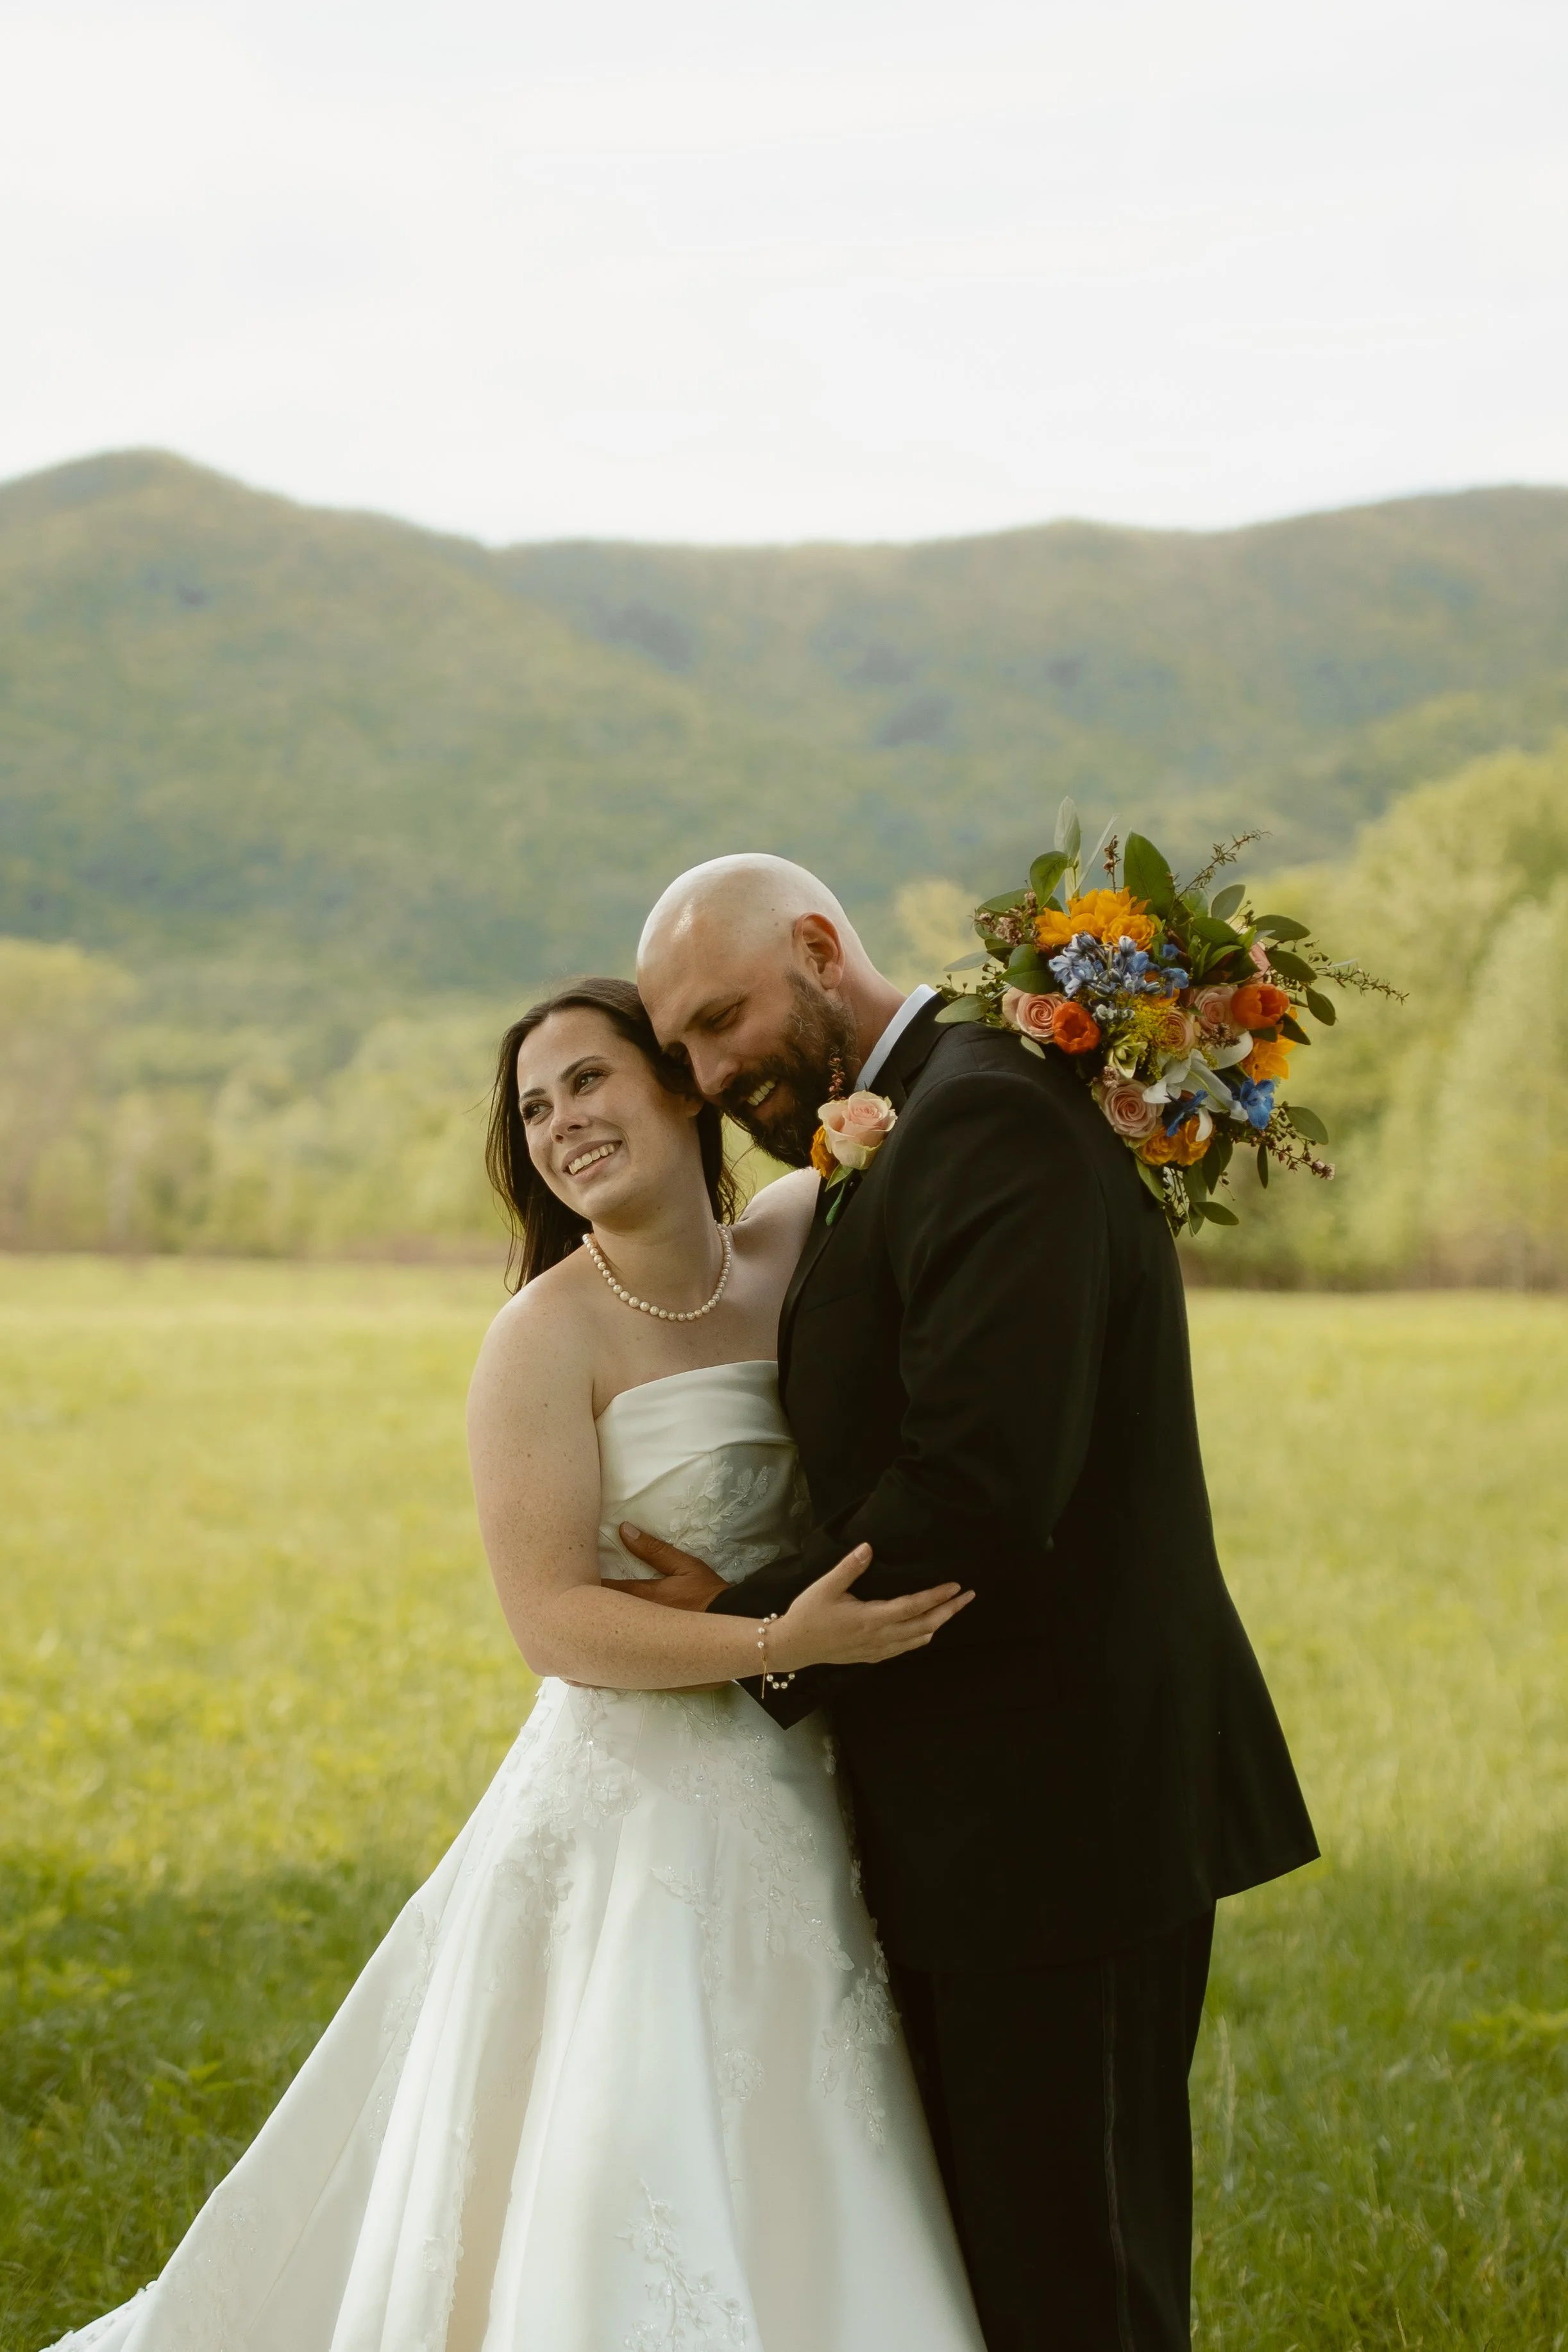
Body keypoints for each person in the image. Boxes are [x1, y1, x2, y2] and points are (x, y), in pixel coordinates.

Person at [44, 977, 984, 2352]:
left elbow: (948, 1111)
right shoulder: (543, 1337)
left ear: (681, 1086)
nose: (563, 1125)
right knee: (624, 2141)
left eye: (589, 1083)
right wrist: (784, 1640)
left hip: (825, 1774)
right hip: (643, 1801)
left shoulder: (799, 1232)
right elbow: (552, 1622)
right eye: (534, 1109)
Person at [626, 856, 1321, 2352]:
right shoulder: (919, 1116)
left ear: (820, 946)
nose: (702, 1071)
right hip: (986, 1810)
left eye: (720, 1018)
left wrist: (748, 1628)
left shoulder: (989, 1110)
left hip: (1063, 1812)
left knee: (1076, 2281)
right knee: (1006, 2268)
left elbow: (982, 1484)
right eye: (678, 1045)